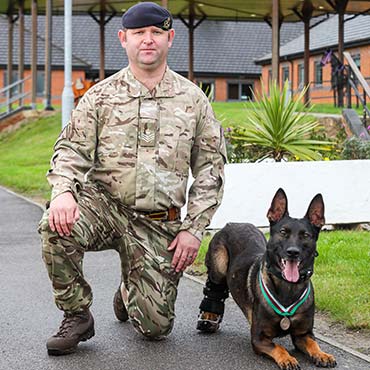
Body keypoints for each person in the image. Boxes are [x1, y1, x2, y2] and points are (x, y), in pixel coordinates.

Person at [38, 1, 226, 356]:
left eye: (156, 32)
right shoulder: (99, 97)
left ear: (170, 38)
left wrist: (193, 229)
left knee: (156, 329)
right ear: (124, 39)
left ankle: (130, 290)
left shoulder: (193, 100)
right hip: (104, 208)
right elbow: (71, 151)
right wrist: (63, 192)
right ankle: (77, 314)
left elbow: (210, 169)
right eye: (139, 33)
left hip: (158, 223)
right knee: (53, 224)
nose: (148, 40)